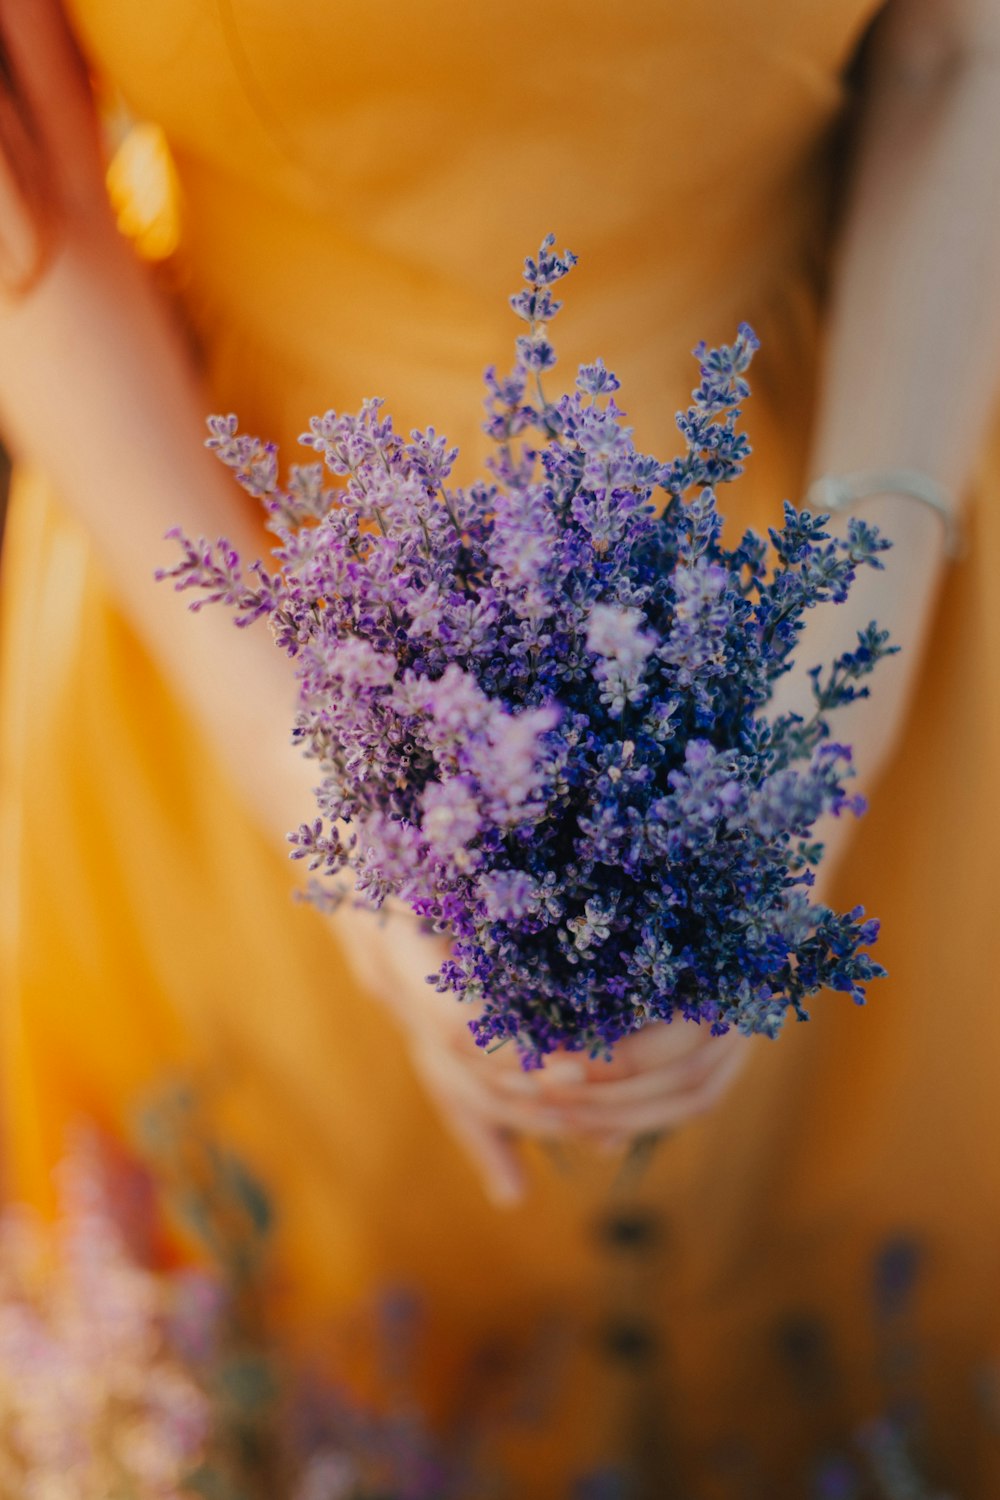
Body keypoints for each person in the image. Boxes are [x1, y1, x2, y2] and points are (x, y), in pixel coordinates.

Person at [1, 0, 1000, 1492]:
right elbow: (28, 194)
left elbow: (960, 50)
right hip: (240, 598)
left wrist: (829, 700)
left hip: (860, 510)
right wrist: (330, 789)